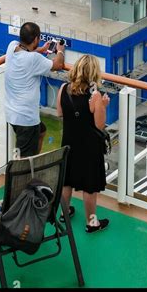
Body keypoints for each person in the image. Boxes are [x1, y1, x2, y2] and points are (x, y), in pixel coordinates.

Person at [57, 54, 110, 234]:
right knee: (89, 185)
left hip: (69, 143)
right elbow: (99, 125)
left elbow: (59, 113)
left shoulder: (63, 89)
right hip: (88, 146)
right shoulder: (95, 96)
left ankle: (64, 213)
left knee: (67, 180)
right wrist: (102, 105)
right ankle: (91, 222)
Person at [5, 22, 65, 157]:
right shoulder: (33, 59)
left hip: (12, 112)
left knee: (41, 131)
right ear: (36, 39)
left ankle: (33, 167)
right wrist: (60, 50)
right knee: (23, 160)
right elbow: (58, 64)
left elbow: (26, 50)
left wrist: (42, 50)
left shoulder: (12, 46)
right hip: (26, 119)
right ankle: (25, 175)